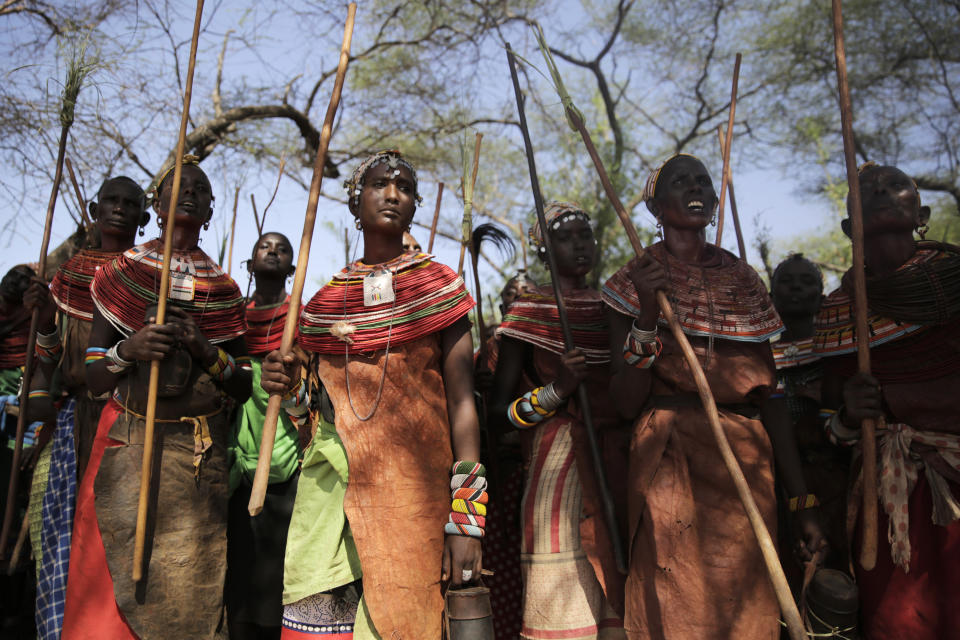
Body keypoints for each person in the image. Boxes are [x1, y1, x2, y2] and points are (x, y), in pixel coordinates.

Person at [260, 150, 482, 639]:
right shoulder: (322, 306)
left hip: (413, 493)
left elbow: (464, 403)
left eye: (404, 186)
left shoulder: (440, 288)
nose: (393, 194)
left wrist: (468, 520)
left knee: (408, 618)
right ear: (355, 202)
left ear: (415, 204)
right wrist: (284, 383)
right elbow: (308, 412)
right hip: (329, 493)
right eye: (380, 184)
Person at [601, 154, 824, 638]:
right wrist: (645, 314)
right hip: (670, 455)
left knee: (748, 605)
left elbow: (772, 397)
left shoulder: (744, 280)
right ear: (656, 207)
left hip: (747, 457)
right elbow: (623, 401)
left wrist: (801, 499)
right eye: (681, 181)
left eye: (703, 180)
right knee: (675, 601)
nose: (696, 186)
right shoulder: (632, 279)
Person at [62, 156, 251, 639]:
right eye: (178, 186)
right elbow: (94, 374)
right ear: (158, 205)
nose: (189, 192)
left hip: (195, 459)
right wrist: (130, 349)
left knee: (191, 591)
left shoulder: (225, 291)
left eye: (201, 189)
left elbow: (243, 383)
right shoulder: (122, 273)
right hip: (127, 444)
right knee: (109, 596)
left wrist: (208, 352)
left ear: (209, 210)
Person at [815, 163, 960, 640]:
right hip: (887, 492)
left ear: (923, 213)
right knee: (898, 620)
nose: (879, 191)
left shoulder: (954, 282)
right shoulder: (841, 310)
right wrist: (849, 417)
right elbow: (828, 426)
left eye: (894, 185)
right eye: (866, 190)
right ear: (846, 227)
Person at [491, 201, 627, 639]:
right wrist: (558, 391)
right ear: (544, 252)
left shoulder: (617, 308)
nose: (578, 246)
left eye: (584, 236)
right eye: (564, 238)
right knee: (562, 597)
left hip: (619, 458)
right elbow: (499, 417)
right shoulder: (527, 314)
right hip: (558, 462)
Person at [21, 175, 148, 640]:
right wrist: (44, 319)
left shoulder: (148, 274)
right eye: (110, 201)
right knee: (56, 534)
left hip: (130, 418)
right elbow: (49, 359)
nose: (118, 209)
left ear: (145, 217)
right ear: (94, 212)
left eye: (129, 203)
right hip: (75, 418)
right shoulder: (68, 275)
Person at [226, 231, 301, 640]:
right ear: (249, 263)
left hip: (287, 451)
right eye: (264, 247)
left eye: (282, 249)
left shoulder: (301, 316)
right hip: (238, 450)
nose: (272, 252)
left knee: (276, 561)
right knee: (238, 558)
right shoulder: (233, 317)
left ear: (293, 267)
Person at [770, 255, 849, 577]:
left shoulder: (839, 346)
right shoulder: (760, 353)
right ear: (771, 295)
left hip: (834, 466)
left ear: (821, 295)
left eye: (807, 281)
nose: (797, 288)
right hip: (780, 473)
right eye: (787, 281)